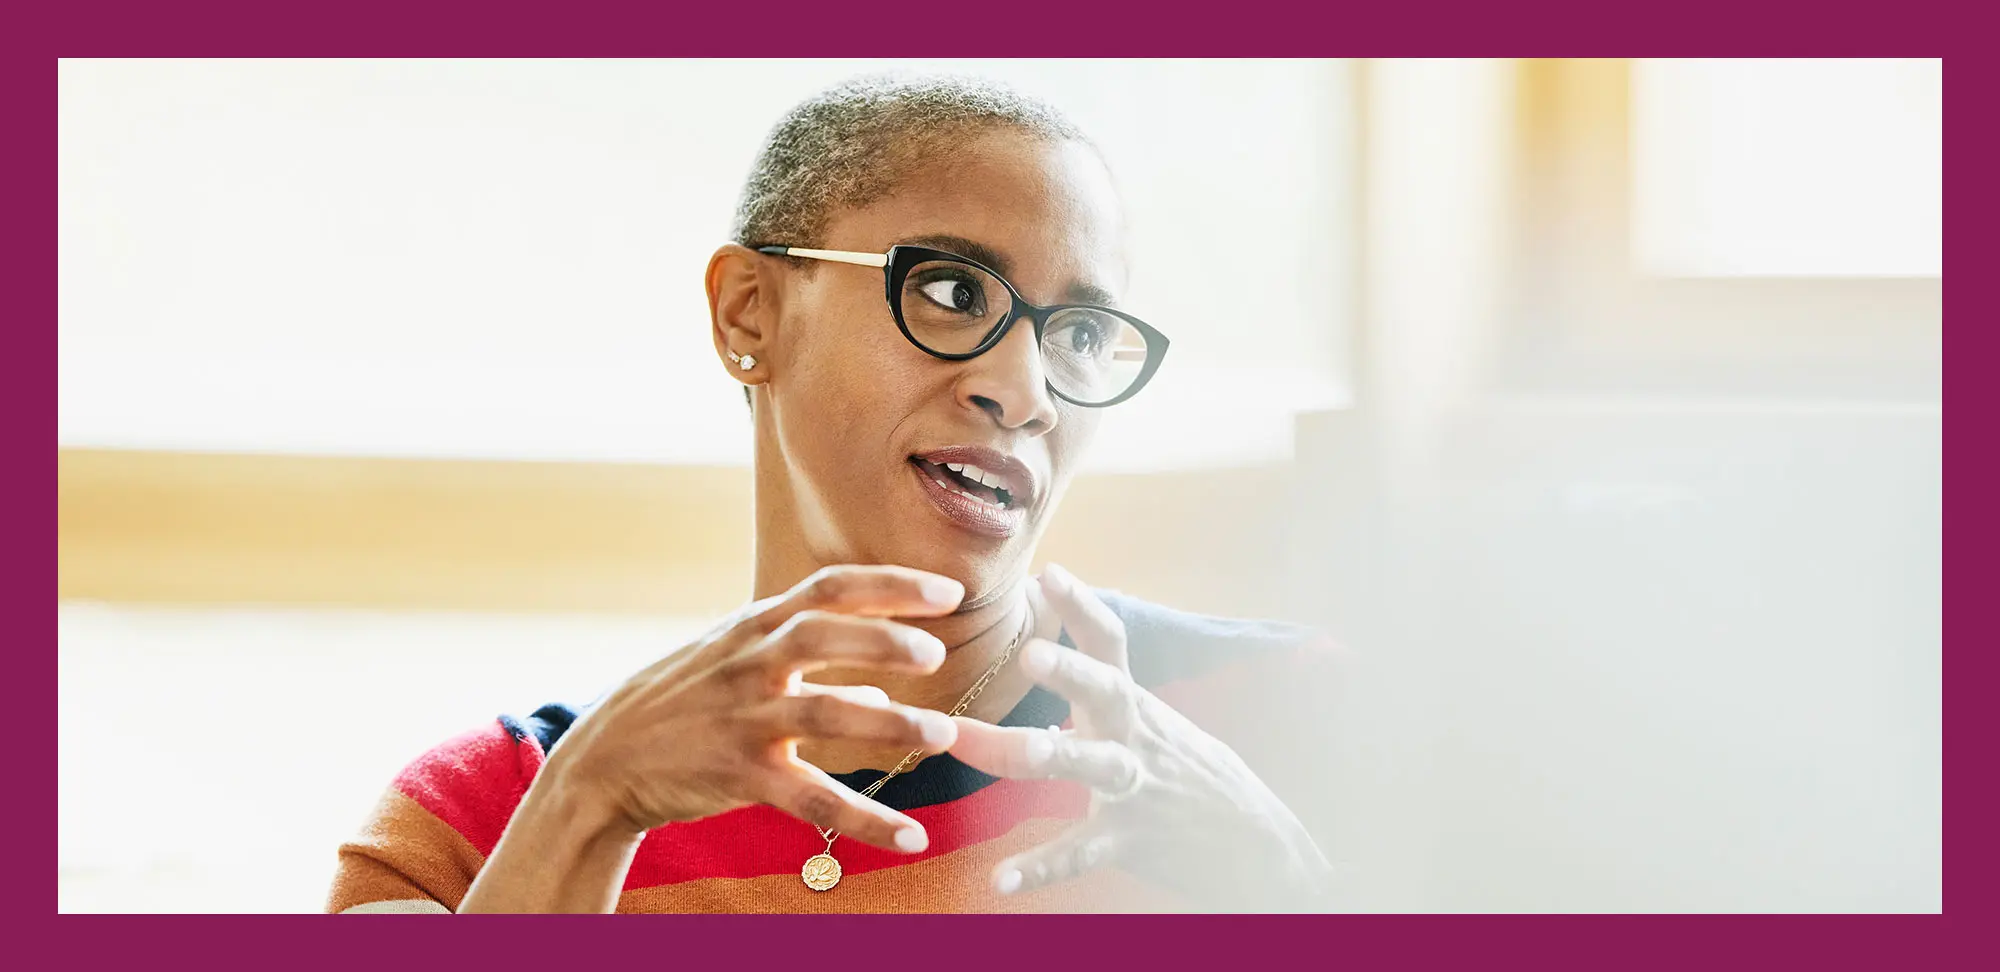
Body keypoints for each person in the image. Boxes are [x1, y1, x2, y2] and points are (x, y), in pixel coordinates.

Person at [328, 73, 1337, 914]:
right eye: (951, 292)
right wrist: (590, 809)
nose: (1023, 392)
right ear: (749, 313)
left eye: (1076, 335)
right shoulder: (479, 819)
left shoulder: (1302, 720)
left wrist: (1290, 881)